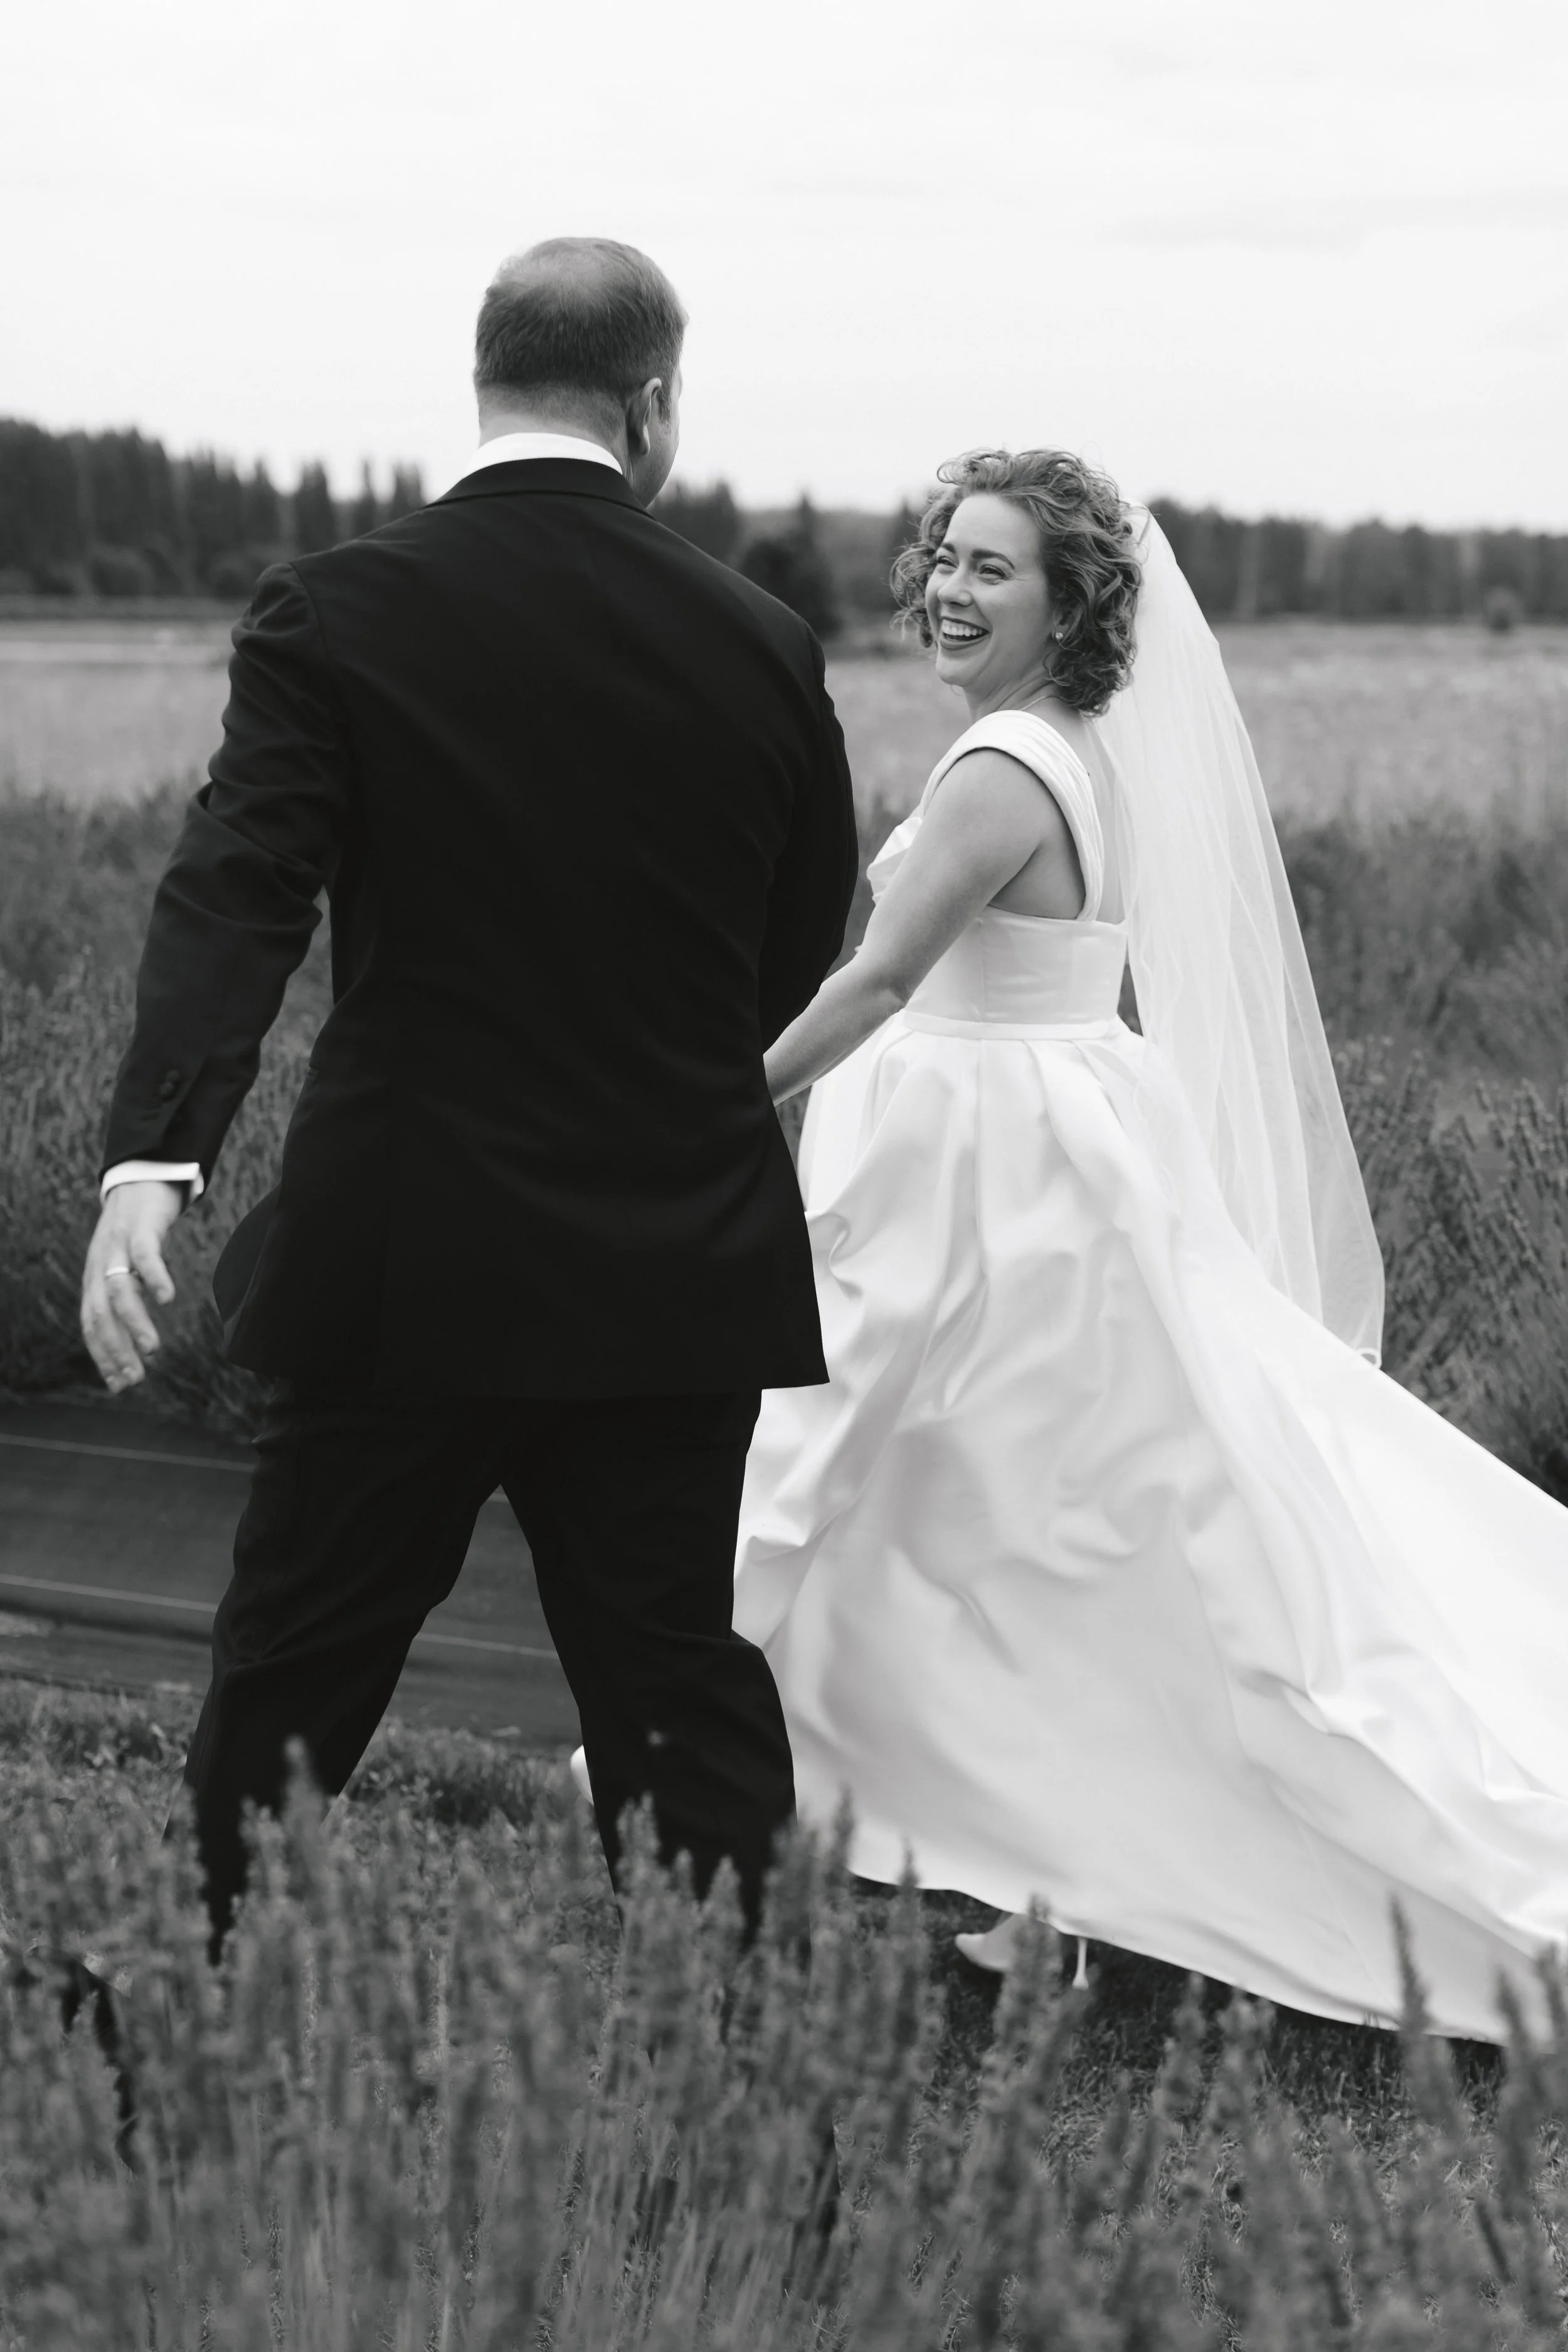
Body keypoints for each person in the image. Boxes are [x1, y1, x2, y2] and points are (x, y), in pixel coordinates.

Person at [79, 237, 858, 1950]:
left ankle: (153, 2040)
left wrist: (157, 1157)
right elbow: (797, 949)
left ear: (484, 379)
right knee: (675, 1693)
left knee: (287, 1675)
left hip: (404, 1254)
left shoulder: (335, 607)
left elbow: (237, 888)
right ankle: (751, 2089)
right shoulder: (759, 640)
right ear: (650, 403)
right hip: (670, 1257)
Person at [733, 446, 1568, 2042]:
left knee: (1016, 1516)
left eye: (992, 569)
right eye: (942, 560)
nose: (949, 591)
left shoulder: (996, 765)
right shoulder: (1072, 750)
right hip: (1041, 1142)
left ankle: (1018, 1858)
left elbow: (876, 982)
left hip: (992, 1179)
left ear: (1070, 605)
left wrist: (707, 1109)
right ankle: (1006, 1859)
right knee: (1033, 1518)